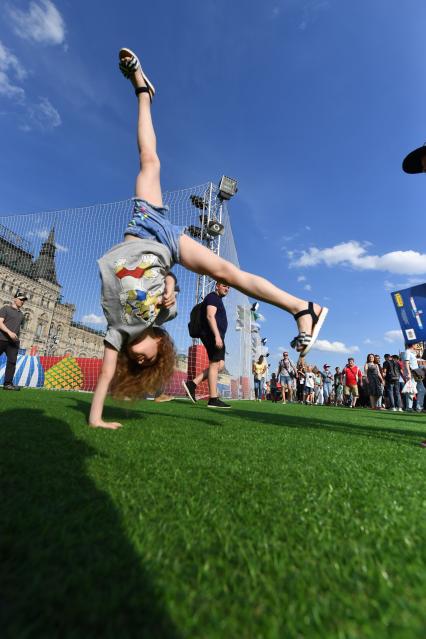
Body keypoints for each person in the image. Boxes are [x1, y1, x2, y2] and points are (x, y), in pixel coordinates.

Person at [88, 48, 328, 429]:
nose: (141, 357)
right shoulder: (162, 315)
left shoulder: (116, 333)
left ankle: (143, 92)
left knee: (149, 161)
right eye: (147, 360)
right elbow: (167, 279)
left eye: (140, 361)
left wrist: (95, 418)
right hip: (164, 247)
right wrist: (169, 284)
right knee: (227, 272)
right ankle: (303, 308)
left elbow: (104, 377)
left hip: (143, 226)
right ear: (159, 343)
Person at [184, 282, 231, 409]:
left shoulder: (217, 299)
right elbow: (210, 316)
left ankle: (192, 384)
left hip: (216, 335)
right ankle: (213, 399)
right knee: (215, 364)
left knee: (219, 365)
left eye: (228, 287)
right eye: (224, 285)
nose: (227, 288)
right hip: (212, 335)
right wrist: (216, 335)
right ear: (217, 286)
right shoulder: (212, 297)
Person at [0, 292, 28, 391]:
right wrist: (9, 332)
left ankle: (8, 384)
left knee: (12, 362)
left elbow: (18, 328)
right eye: (21, 299)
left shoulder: (21, 314)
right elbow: (0, 323)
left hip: (13, 342)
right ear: (14, 298)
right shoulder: (5, 309)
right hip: (1, 339)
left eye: (23, 300)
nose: (22, 302)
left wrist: (17, 338)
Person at [402, 343, 420, 412]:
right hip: (412, 373)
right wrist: (409, 373)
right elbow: (407, 363)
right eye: (416, 344)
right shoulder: (407, 352)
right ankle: (409, 407)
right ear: (413, 345)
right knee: (410, 390)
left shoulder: (412, 353)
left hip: (417, 372)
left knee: (422, 390)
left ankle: (419, 407)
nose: (417, 345)